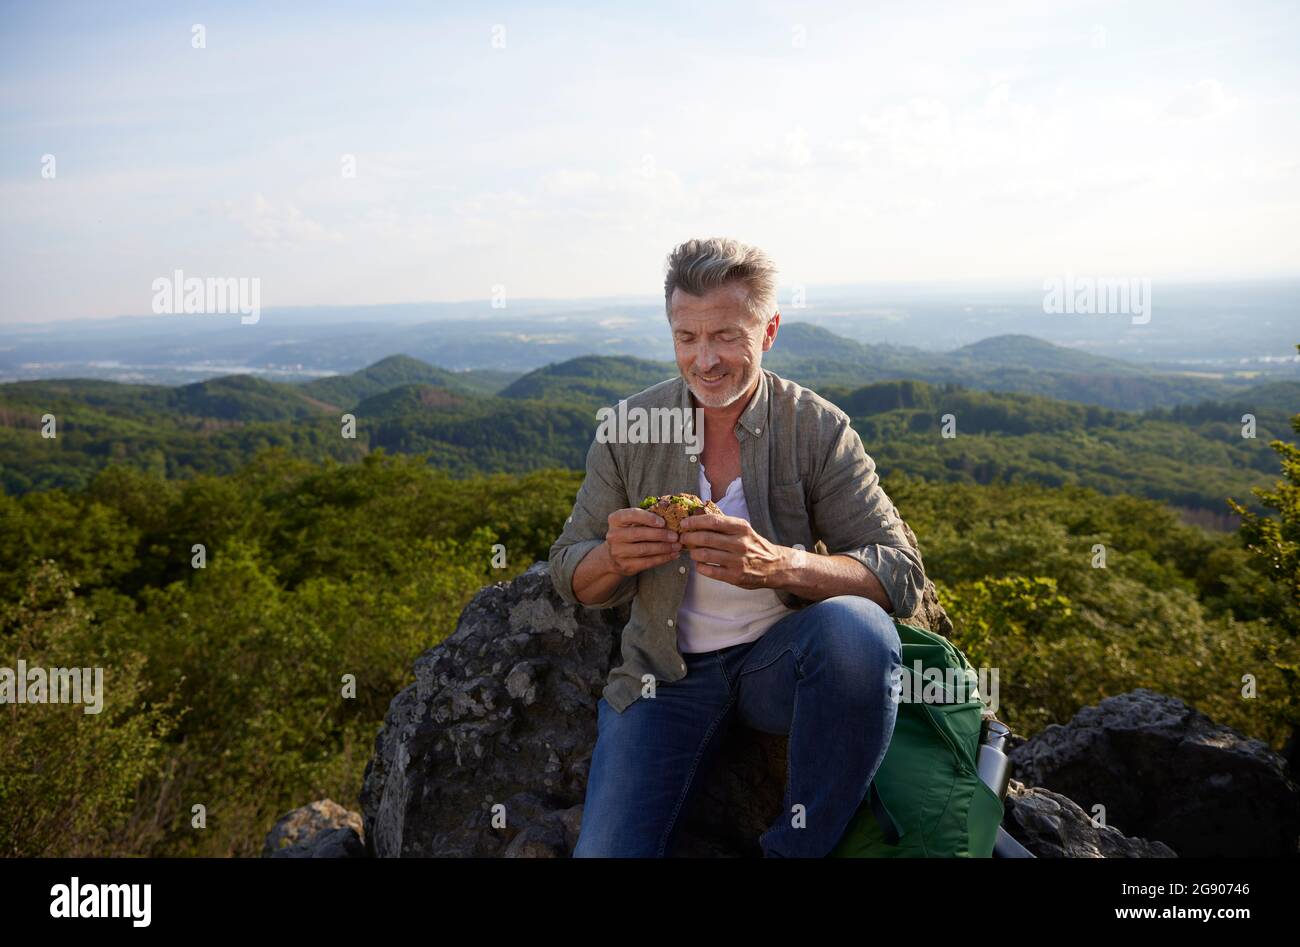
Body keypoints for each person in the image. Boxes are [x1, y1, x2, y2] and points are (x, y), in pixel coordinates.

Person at [548, 236, 927, 857]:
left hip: (779, 665)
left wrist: (782, 564)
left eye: (726, 335)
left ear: (769, 330)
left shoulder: (817, 427)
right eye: (686, 338)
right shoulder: (628, 429)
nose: (705, 361)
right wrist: (614, 558)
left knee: (858, 631)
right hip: (660, 677)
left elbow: (899, 574)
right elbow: (569, 573)